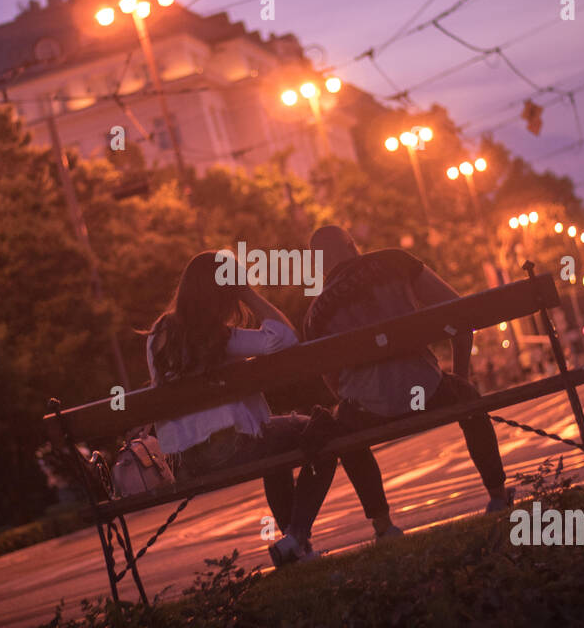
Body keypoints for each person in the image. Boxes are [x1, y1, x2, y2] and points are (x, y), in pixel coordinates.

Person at [303, 226, 515, 534]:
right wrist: (460, 378)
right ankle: (497, 495)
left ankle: (383, 524)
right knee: (466, 396)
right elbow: (460, 314)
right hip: (427, 391)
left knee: (341, 430)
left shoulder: (314, 312)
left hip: (367, 413)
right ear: (352, 245)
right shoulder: (395, 262)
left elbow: (332, 382)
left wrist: (366, 394)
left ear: (319, 264)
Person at [146, 251, 335, 566]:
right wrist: (247, 292)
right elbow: (286, 339)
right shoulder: (219, 337)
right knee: (323, 430)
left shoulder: (157, 338)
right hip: (231, 448)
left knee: (276, 448)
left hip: (189, 460)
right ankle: (296, 537)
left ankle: (295, 551)